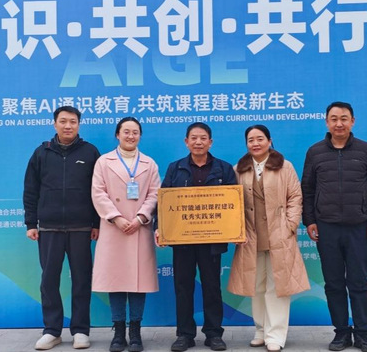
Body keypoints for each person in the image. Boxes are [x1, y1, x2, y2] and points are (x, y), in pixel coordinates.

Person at [301, 102, 367, 352]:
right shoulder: (315, 152)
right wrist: (310, 220)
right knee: (334, 283)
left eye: (344, 118)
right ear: (327, 122)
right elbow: (307, 189)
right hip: (326, 227)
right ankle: (340, 333)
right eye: (334, 119)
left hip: (359, 227)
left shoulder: (366, 150)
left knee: (359, 282)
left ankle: (362, 333)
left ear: (352, 121)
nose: (339, 123)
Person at [23, 106, 101, 351]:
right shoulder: (41, 153)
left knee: (81, 280)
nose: (68, 126)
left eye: (73, 121)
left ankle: (80, 330)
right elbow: (31, 190)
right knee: (49, 281)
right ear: (54, 124)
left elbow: (98, 191)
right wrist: (31, 223)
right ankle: (52, 330)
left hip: (81, 228)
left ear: (79, 124)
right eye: (63, 121)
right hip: (49, 228)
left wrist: (96, 223)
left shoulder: (90, 152)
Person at [155, 122, 237, 352]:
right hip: (182, 241)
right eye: (194, 138)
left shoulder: (224, 169)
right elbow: (164, 202)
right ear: (186, 142)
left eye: (203, 138)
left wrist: (236, 230)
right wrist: (160, 228)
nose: (198, 142)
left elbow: (233, 204)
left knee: (212, 287)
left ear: (210, 142)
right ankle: (185, 334)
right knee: (183, 288)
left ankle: (214, 334)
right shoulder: (175, 168)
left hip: (212, 241)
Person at [227, 125, 310, 351]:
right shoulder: (238, 169)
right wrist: (235, 230)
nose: (255, 143)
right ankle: (260, 331)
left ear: (270, 140)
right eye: (251, 140)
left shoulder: (285, 166)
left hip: (279, 235)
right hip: (250, 237)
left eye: (260, 139)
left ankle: (276, 335)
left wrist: (290, 225)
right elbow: (231, 203)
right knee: (256, 286)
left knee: (277, 286)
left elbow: (295, 196)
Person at [91, 117, 161, 352]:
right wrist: (116, 217)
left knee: (138, 282)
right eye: (126, 132)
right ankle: (119, 332)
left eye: (135, 132)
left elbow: (155, 194)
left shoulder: (149, 163)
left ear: (140, 135)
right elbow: (98, 193)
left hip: (140, 228)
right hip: (114, 228)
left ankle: (136, 332)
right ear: (117, 135)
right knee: (117, 281)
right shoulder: (104, 161)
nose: (131, 136)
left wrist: (141, 217)